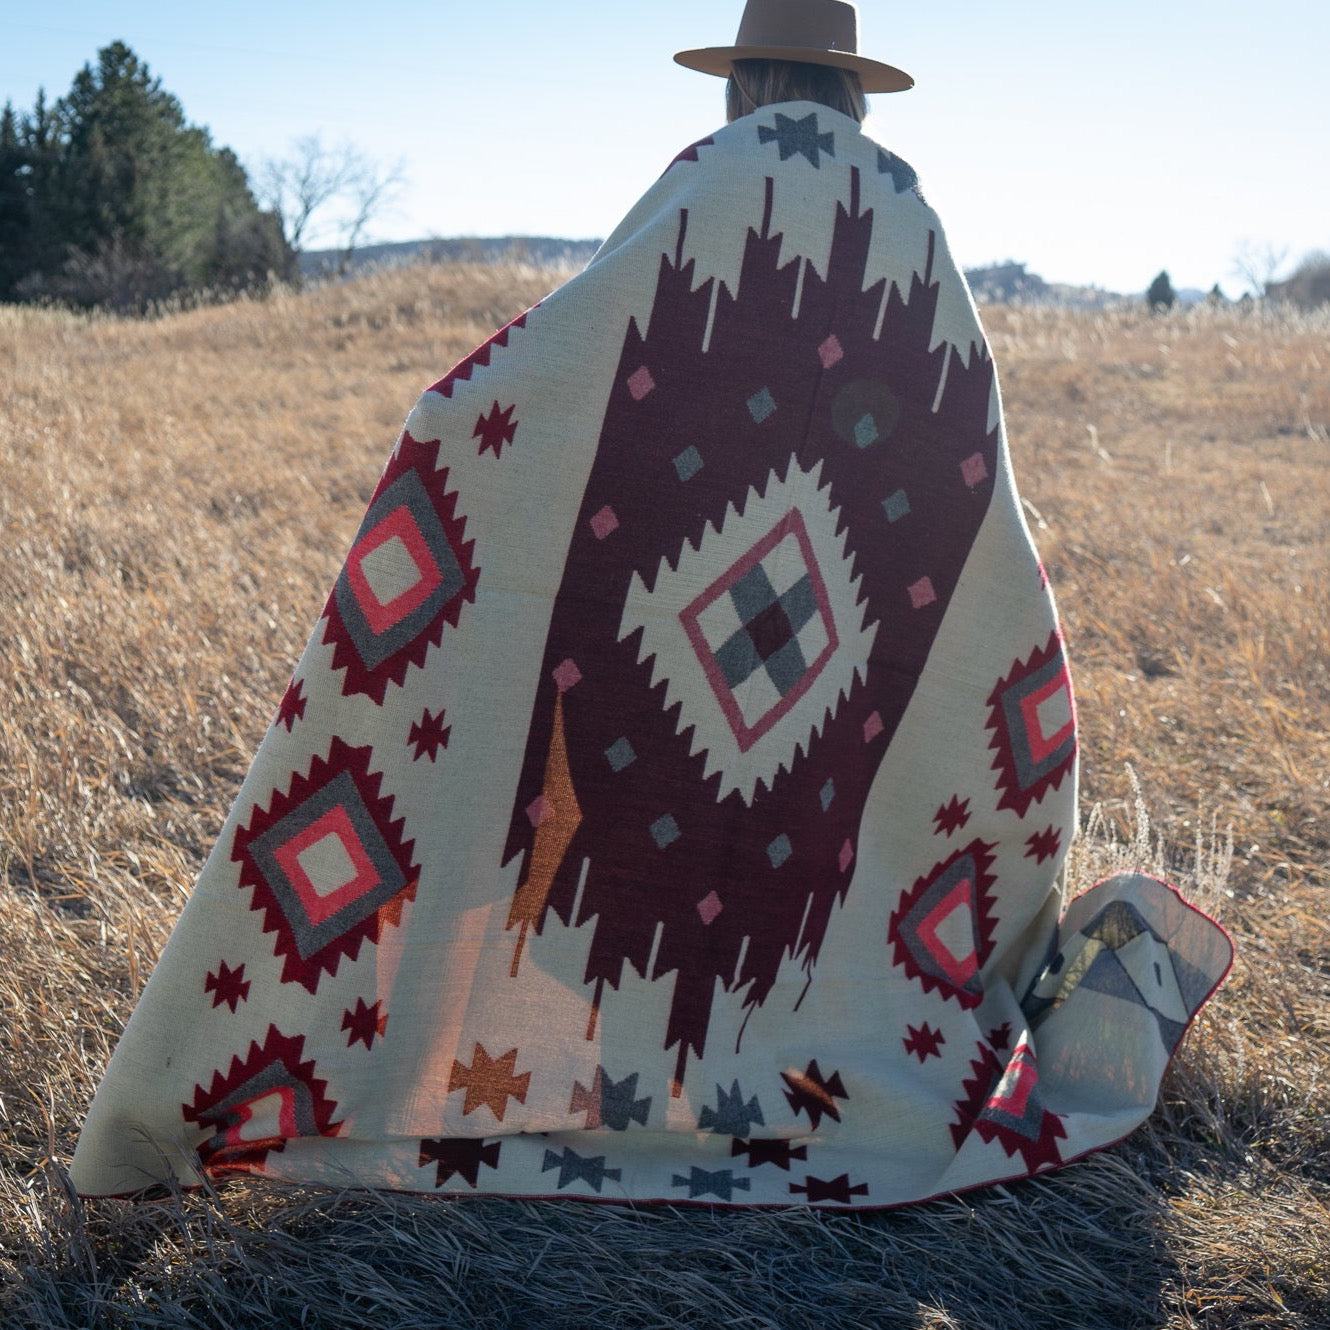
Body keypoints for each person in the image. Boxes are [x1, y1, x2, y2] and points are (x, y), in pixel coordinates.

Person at [72, 0, 1231, 1208]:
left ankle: (574, 1049)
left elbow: (583, 354)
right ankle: (791, 1049)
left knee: (598, 817)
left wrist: (450, 431)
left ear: (742, 82)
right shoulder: (909, 221)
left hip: (644, 675)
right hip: (839, 680)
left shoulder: (716, 181)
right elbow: (962, 461)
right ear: (854, 91)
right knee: (802, 841)